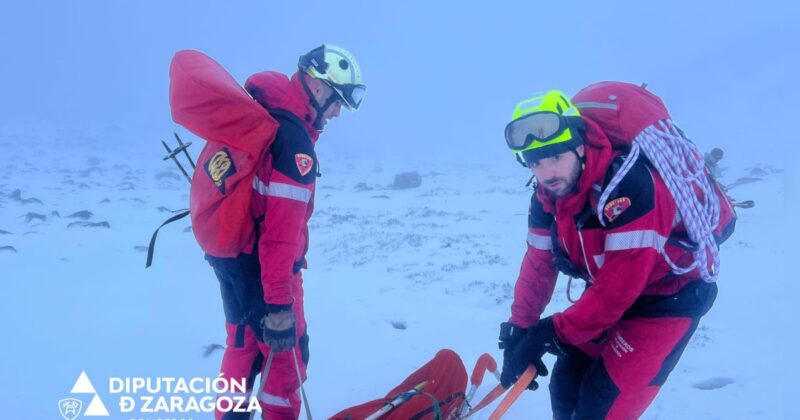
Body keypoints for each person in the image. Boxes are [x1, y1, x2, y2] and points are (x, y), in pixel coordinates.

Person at [498, 91, 718, 419]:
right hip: (610, 296)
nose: (546, 173)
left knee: (601, 406)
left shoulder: (630, 187)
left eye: (555, 157)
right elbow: (538, 265)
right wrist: (520, 330)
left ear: (580, 144)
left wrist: (548, 333)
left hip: (668, 297)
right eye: (535, 162)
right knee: (566, 383)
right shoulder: (547, 197)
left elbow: (618, 290)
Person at [203, 44, 365, 419]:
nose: (339, 111)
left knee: (242, 347)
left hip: (231, 259)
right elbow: (280, 237)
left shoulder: (261, 108)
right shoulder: (294, 145)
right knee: (287, 362)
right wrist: (279, 307)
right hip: (269, 269)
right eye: (338, 100)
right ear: (319, 87)